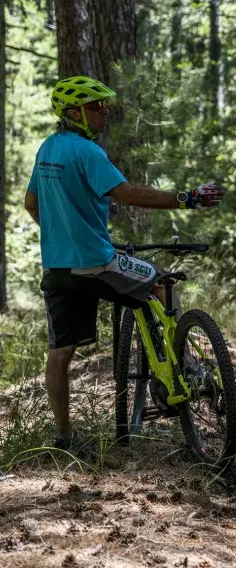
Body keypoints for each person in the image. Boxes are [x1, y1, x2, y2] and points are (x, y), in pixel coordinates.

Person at [24, 75, 225, 451]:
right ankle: (179, 372)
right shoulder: (87, 152)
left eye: (104, 105)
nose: (104, 112)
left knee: (60, 352)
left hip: (57, 267)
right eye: (96, 106)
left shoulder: (47, 149)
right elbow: (129, 194)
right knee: (161, 282)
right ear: (74, 112)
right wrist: (188, 198)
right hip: (96, 263)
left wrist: (66, 234)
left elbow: (31, 205)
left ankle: (65, 439)